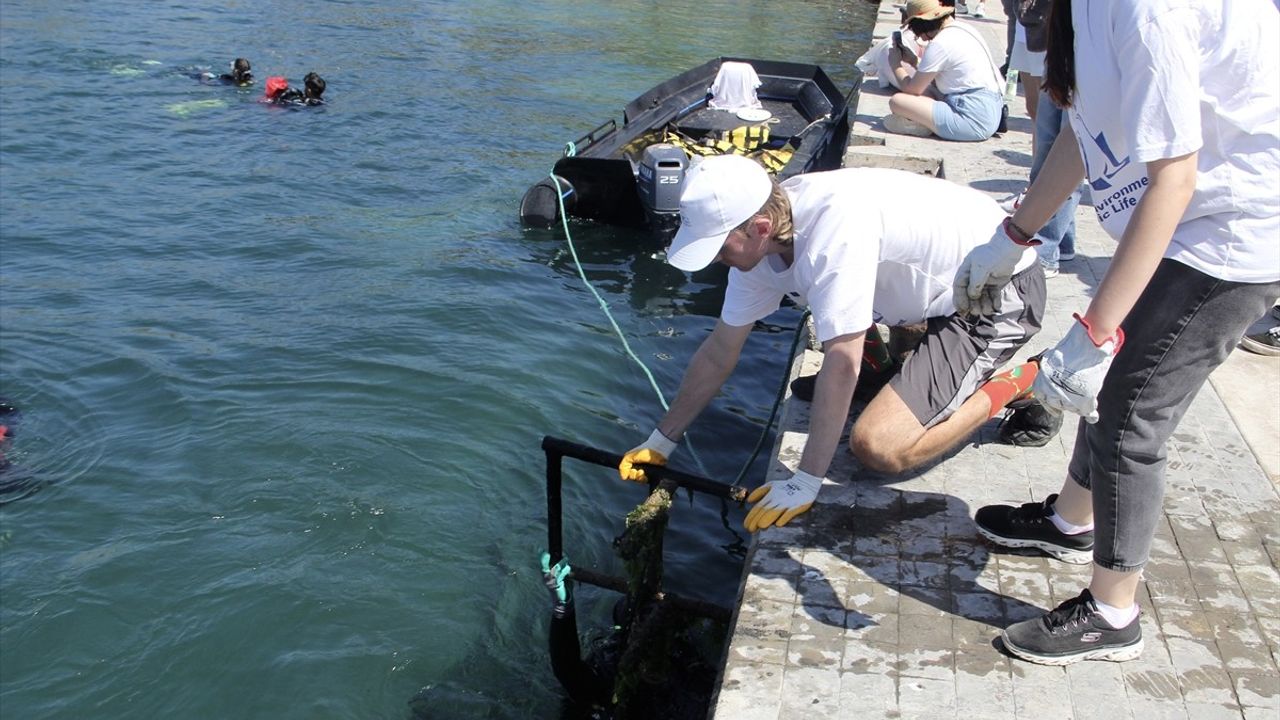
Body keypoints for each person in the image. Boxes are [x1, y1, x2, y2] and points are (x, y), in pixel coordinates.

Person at [954, 0, 1280, 665]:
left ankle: (1113, 612)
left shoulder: (1149, 9)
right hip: (1181, 222)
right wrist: (1014, 235)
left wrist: (1094, 330)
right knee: (1107, 396)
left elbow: (1176, 177)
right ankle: (1070, 522)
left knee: (1131, 418)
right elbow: (1086, 129)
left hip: (1229, 234)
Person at [617, 154, 1059, 533]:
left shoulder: (833, 233)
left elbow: (841, 361)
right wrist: (662, 439)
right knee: (836, 328)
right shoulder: (765, 238)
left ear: (759, 227)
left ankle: (1021, 381)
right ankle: (890, 369)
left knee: (878, 446)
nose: (714, 258)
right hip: (931, 288)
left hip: (995, 293)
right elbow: (719, 351)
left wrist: (806, 480)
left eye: (718, 246)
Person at [886, 0, 1005, 141]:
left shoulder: (940, 43)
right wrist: (913, 61)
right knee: (927, 91)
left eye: (916, 31)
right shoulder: (965, 29)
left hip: (971, 119)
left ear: (923, 23)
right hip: (991, 112)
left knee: (897, 101)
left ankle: (924, 126)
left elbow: (912, 90)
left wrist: (895, 65)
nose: (920, 37)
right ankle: (926, 123)